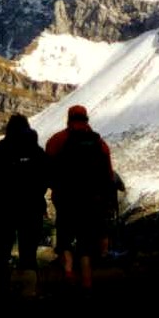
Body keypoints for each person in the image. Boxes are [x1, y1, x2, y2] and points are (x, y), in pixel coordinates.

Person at [45, 105, 116, 289]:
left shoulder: (57, 140)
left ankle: (68, 272)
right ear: (86, 119)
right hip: (92, 201)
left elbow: (48, 170)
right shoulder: (99, 143)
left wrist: (56, 188)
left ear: (69, 118)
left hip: (66, 199)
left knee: (65, 240)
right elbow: (108, 175)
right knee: (85, 245)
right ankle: (86, 285)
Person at [0, 113, 51, 278]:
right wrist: (37, 193)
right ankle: (29, 291)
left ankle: (1, 289)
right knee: (29, 253)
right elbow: (48, 175)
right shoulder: (36, 151)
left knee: (0, 251)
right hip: (32, 207)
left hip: (3, 208)